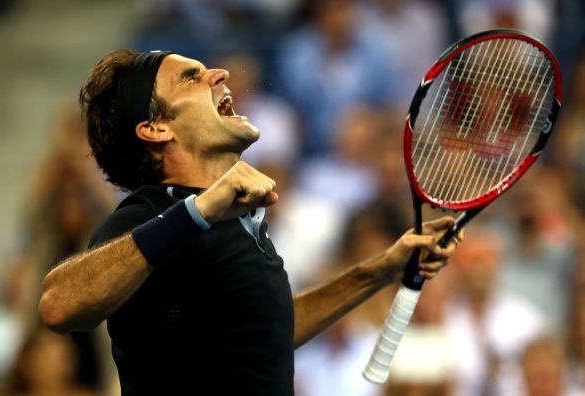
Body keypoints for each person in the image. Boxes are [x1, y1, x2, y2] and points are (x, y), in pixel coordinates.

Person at [38, 50, 460, 395]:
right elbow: (59, 305)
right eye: (191, 77)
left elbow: (268, 332)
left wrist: (380, 269)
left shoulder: (232, 221)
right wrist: (197, 212)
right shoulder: (151, 213)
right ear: (155, 128)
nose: (220, 74)